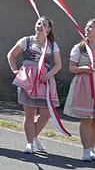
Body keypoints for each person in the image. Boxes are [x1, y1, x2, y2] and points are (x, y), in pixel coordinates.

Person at [7, 17, 62, 154]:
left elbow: (58, 64)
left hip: (45, 80)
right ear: (35, 26)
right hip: (28, 79)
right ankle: (30, 142)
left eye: (44, 24)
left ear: (49, 29)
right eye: (39, 23)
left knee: (45, 114)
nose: (41, 26)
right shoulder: (26, 41)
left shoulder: (52, 45)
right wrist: (15, 71)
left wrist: (49, 75)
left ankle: (34, 136)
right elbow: (11, 55)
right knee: (29, 113)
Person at [64, 19, 95, 161]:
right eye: (86, 27)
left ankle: (92, 148)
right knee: (86, 119)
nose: (87, 29)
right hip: (84, 83)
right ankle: (86, 150)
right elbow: (71, 67)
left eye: (91, 27)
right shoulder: (80, 48)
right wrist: (83, 69)